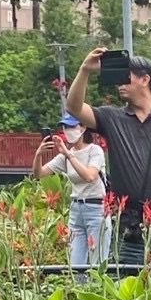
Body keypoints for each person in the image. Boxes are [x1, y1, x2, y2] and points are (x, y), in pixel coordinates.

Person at [66, 47, 151, 267]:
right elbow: (74, 108)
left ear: (145, 79)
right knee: (129, 291)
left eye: (126, 77)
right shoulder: (112, 118)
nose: (120, 83)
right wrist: (85, 70)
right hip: (132, 229)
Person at [33, 115, 109, 273]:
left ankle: (98, 293)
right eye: (65, 128)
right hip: (76, 209)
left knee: (98, 260)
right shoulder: (64, 156)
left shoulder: (95, 151)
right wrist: (38, 154)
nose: (67, 131)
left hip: (96, 208)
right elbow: (39, 173)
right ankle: (78, 293)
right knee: (75, 263)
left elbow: (89, 176)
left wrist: (68, 154)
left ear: (83, 128)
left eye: (71, 127)